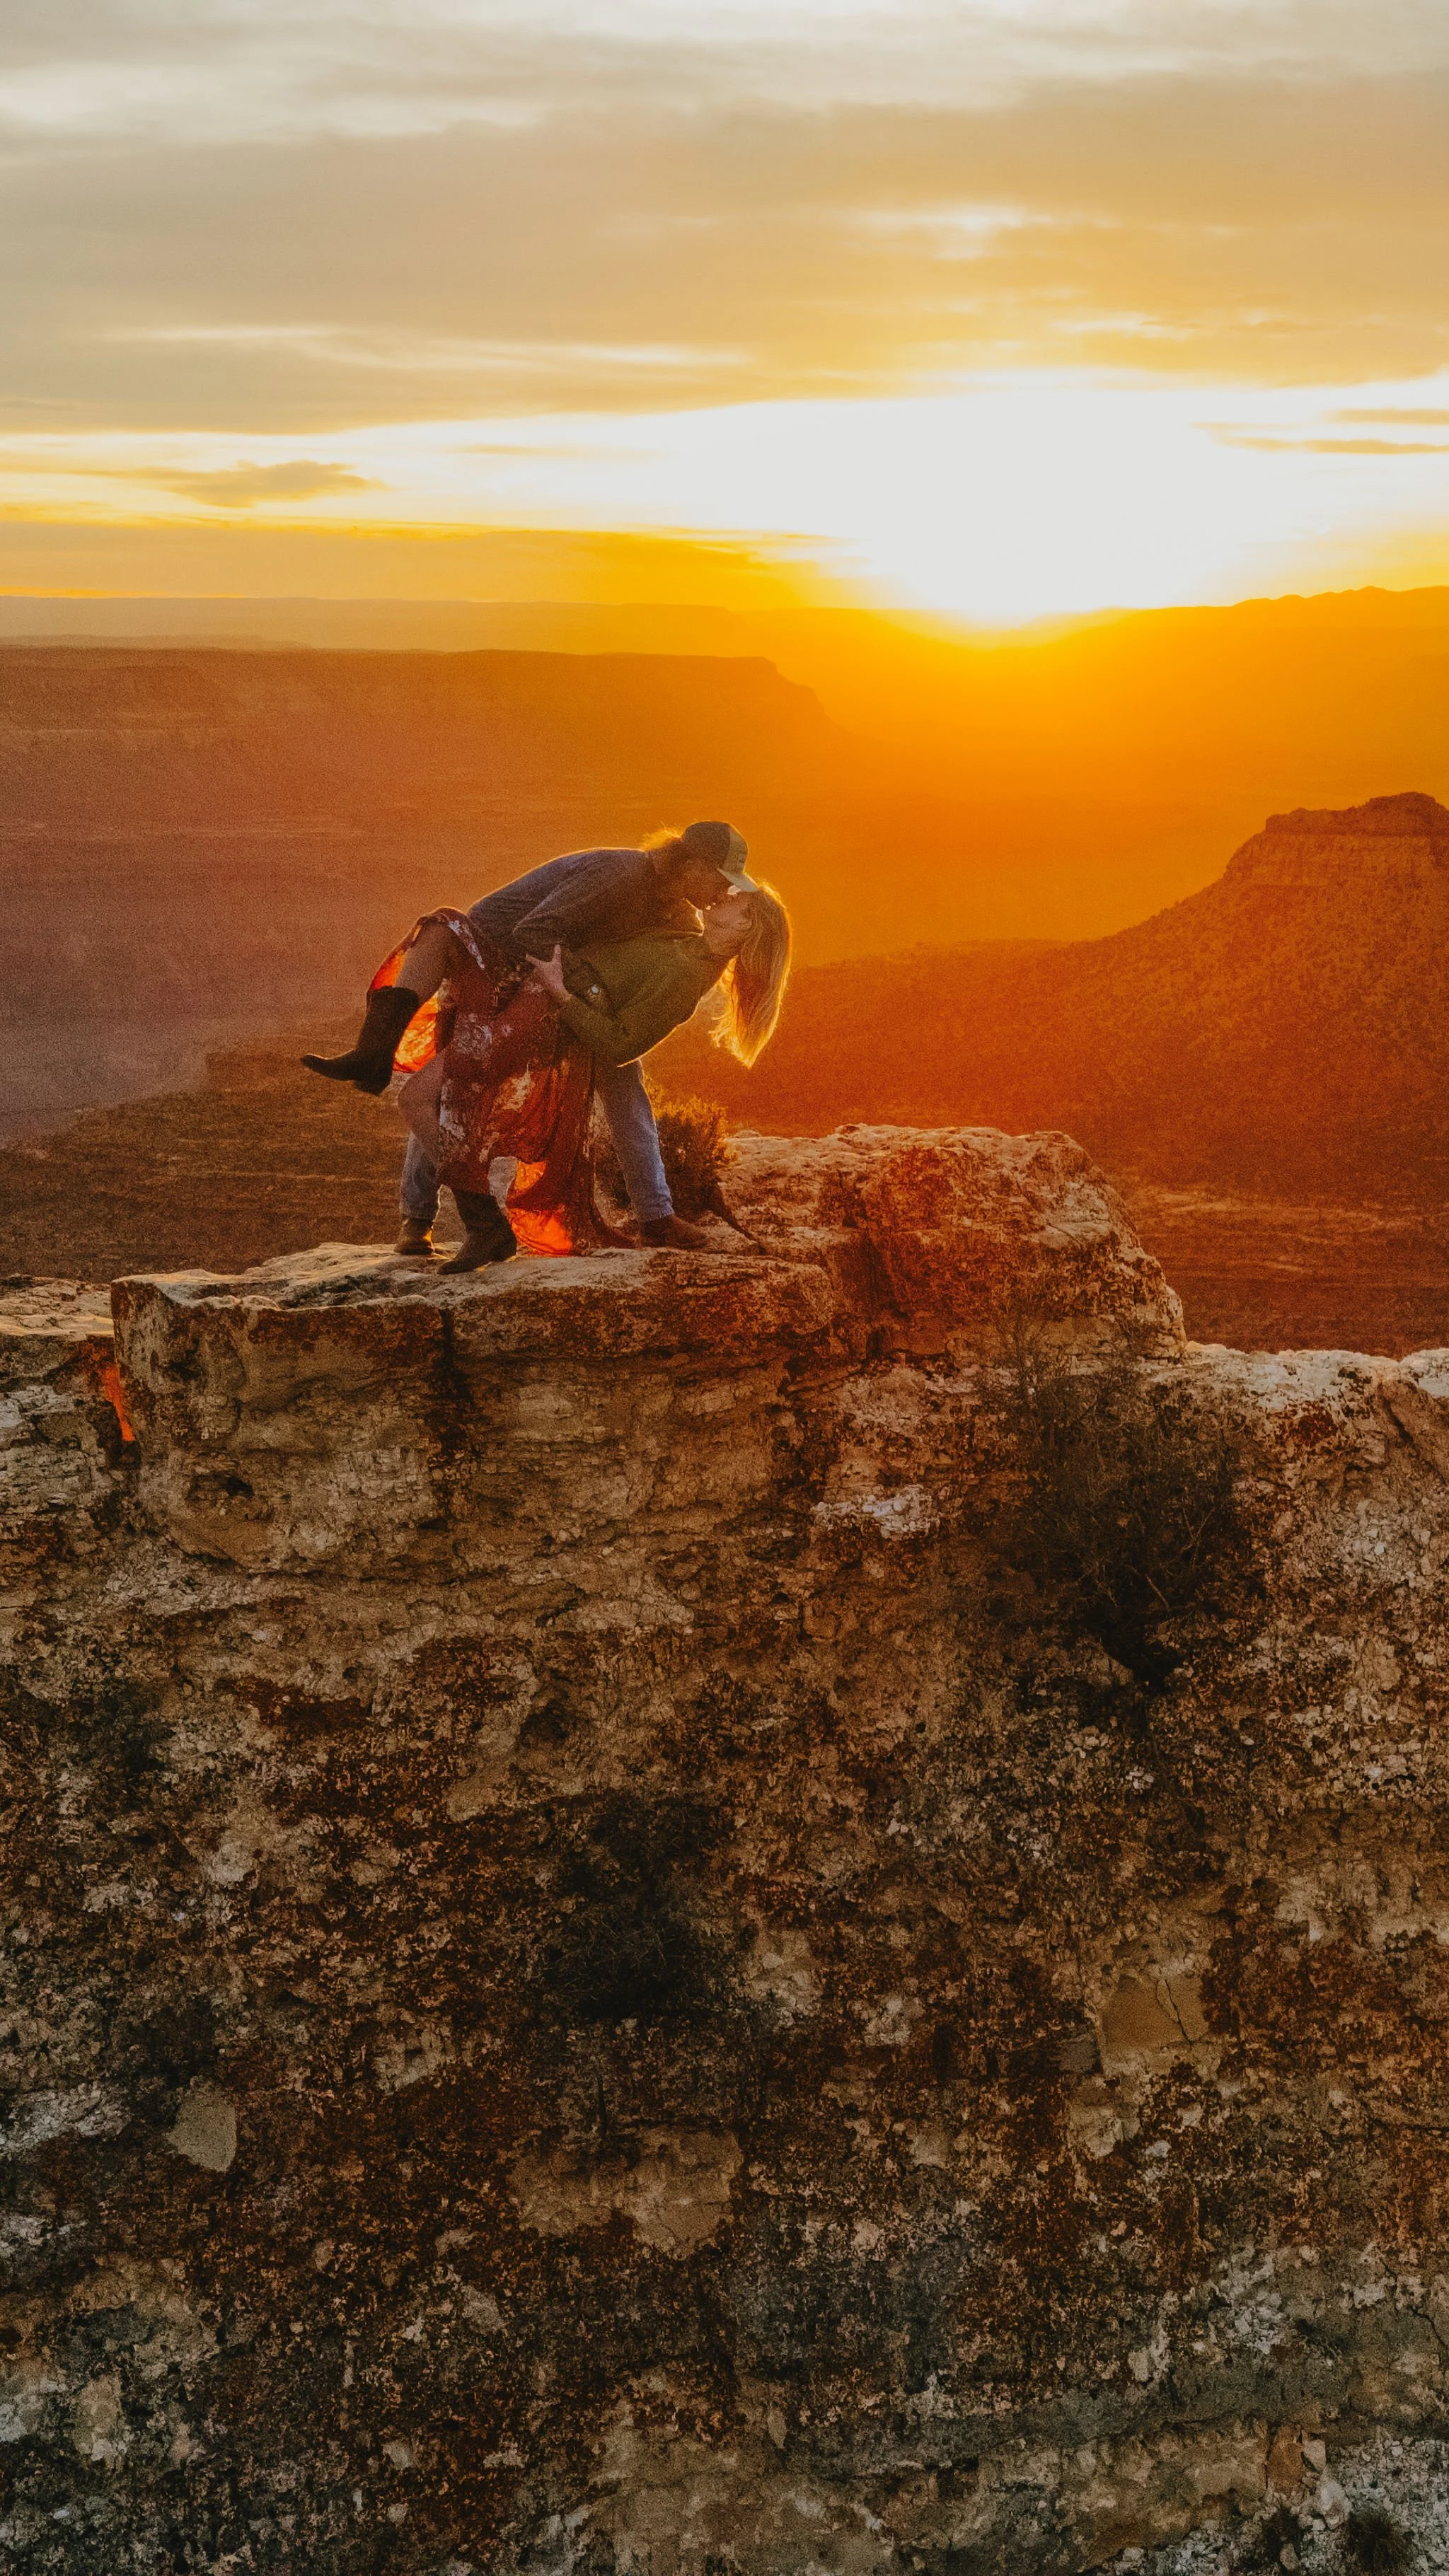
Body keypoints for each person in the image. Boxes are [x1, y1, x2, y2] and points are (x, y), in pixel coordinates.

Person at [304, 820, 753, 1252]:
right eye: (721, 880)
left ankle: (656, 1215)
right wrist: (561, 992)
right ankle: (417, 1218)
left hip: (554, 988)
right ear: (692, 866)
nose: (724, 891)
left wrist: (579, 995)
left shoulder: (674, 910)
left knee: (622, 1084)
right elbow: (534, 930)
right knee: (456, 1081)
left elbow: (639, 968)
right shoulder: (622, 875)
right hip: (500, 959)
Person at [387, 878, 790, 1268]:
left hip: (551, 1016)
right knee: (626, 1101)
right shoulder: (687, 939)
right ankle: (654, 1214)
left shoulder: (687, 971)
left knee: (444, 1090)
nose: (724, 896)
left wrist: (562, 992)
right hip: (553, 1003)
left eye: (736, 898)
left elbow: (620, 1045)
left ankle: (449, 1219)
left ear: (744, 925)